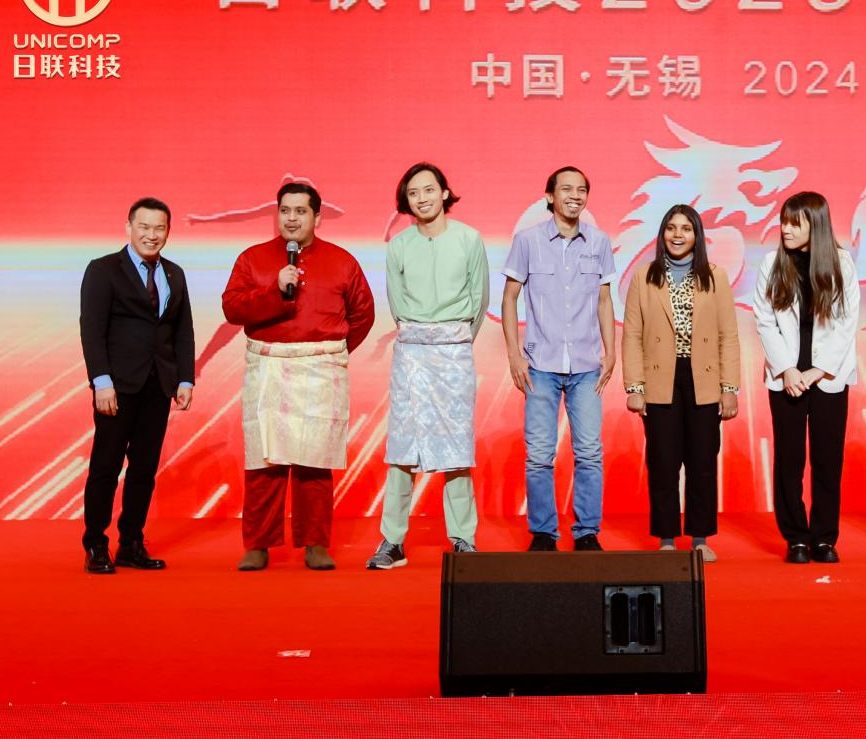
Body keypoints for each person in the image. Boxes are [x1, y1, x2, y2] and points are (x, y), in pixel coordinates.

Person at [221, 181, 374, 571]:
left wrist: (330, 351)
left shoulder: (342, 261)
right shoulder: (253, 259)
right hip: (269, 366)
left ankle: (316, 543)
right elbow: (233, 308)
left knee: (314, 462)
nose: (291, 218)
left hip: (320, 370)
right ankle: (258, 544)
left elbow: (362, 313)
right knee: (264, 461)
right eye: (285, 211)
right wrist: (274, 290)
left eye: (301, 211)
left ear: (317, 217)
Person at [367, 163, 489, 570]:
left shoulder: (469, 239)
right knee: (403, 446)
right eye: (414, 193)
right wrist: (420, 336)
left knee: (456, 448)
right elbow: (396, 302)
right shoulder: (399, 246)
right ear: (406, 200)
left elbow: (479, 300)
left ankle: (463, 537)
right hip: (412, 352)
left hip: (454, 351)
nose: (422, 198)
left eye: (429, 189)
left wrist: (454, 341)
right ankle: (392, 540)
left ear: (444, 192)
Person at [502, 166, 616, 551]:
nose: (575, 196)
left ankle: (587, 532)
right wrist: (514, 354)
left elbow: (604, 300)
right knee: (539, 456)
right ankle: (543, 533)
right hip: (540, 365)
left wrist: (611, 351)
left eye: (582, 189)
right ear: (549, 196)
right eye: (566, 189)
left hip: (586, 365)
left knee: (589, 453)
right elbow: (509, 298)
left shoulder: (599, 241)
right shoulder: (528, 241)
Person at [79, 198, 195, 574]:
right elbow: (92, 330)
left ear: (168, 232)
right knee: (106, 467)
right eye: (144, 227)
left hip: (158, 385)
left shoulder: (174, 273)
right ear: (129, 227)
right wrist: (101, 381)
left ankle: (131, 543)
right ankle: (96, 543)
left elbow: (183, 330)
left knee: (144, 469)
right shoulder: (103, 270)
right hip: (116, 387)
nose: (151, 235)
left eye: (159, 228)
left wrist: (185, 378)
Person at [622, 205, 740, 561]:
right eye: (671, 228)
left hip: (703, 377)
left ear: (697, 235)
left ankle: (700, 539)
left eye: (686, 229)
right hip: (661, 378)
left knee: (702, 460)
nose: (677, 235)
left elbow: (728, 335)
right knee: (663, 461)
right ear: (662, 234)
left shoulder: (715, 276)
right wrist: (635, 387)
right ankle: (667, 540)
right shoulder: (644, 276)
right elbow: (632, 334)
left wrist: (729, 388)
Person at [753, 192, 860, 564]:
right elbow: (764, 320)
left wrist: (818, 370)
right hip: (786, 377)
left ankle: (824, 538)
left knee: (828, 460)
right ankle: (796, 538)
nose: (785, 229)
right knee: (789, 460)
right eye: (783, 221)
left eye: (794, 223)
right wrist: (787, 369)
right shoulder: (772, 263)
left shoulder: (842, 264)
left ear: (816, 225)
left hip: (829, 376)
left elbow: (847, 323)